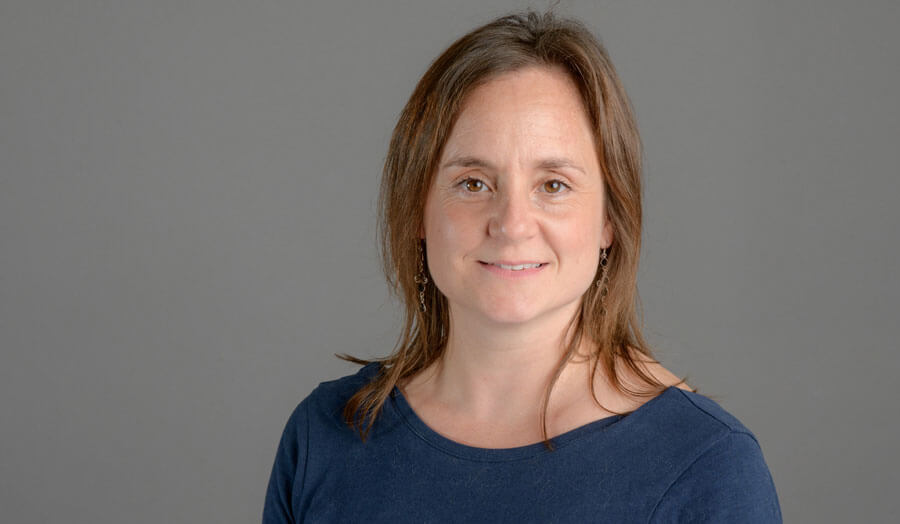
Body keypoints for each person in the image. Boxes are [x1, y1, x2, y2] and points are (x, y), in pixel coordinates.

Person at [263, 9, 781, 523]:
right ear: (417, 209)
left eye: (552, 185)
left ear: (609, 220)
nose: (511, 225)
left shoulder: (707, 466)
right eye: (473, 183)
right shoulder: (326, 436)